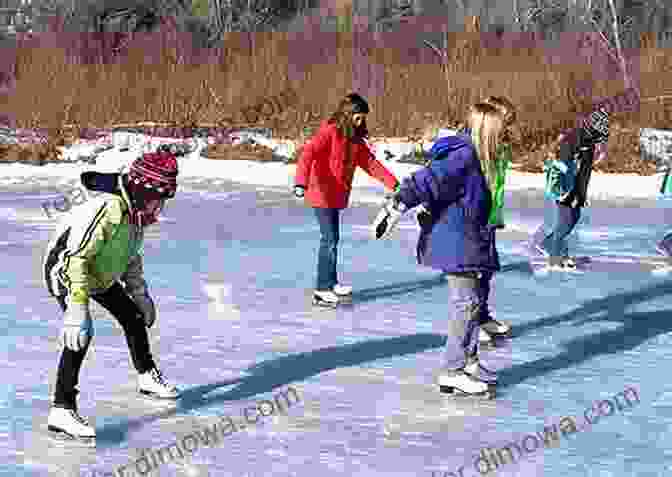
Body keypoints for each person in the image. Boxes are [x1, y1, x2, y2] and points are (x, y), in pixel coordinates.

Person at [42, 149, 181, 444]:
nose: (160, 209)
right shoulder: (106, 210)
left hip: (99, 272)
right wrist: (77, 308)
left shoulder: (137, 216)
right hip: (67, 270)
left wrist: (139, 295)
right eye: (159, 200)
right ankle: (62, 409)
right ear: (144, 192)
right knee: (80, 334)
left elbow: (129, 257)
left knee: (132, 316)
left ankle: (146, 375)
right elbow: (75, 259)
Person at [373, 102, 506, 397]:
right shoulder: (464, 155)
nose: (505, 133)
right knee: (466, 304)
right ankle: (453, 371)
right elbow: (428, 180)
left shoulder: (481, 156)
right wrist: (397, 205)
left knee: (474, 301)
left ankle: (469, 363)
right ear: (487, 129)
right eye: (501, 128)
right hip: (456, 240)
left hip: (469, 238)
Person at [294, 92, 399, 306]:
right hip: (321, 192)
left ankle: (330, 283)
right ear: (347, 114)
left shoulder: (354, 140)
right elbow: (308, 153)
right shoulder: (329, 132)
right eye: (358, 117)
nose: (361, 122)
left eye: (363, 118)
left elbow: (371, 164)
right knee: (329, 239)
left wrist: (394, 183)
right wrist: (300, 183)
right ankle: (322, 289)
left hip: (335, 196)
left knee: (333, 239)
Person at [532, 108, 610, 269]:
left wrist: (581, 192)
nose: (603, 138)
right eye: (602, 132)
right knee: (565, 222)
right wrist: (560, 188)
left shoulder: (589, 142)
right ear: (595, 128)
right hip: (565, 188)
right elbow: (560, 165)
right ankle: (556, 257)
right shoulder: (574, 138)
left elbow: (584, 168)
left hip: (578, 189)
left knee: (573, 219)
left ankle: (549, 244)